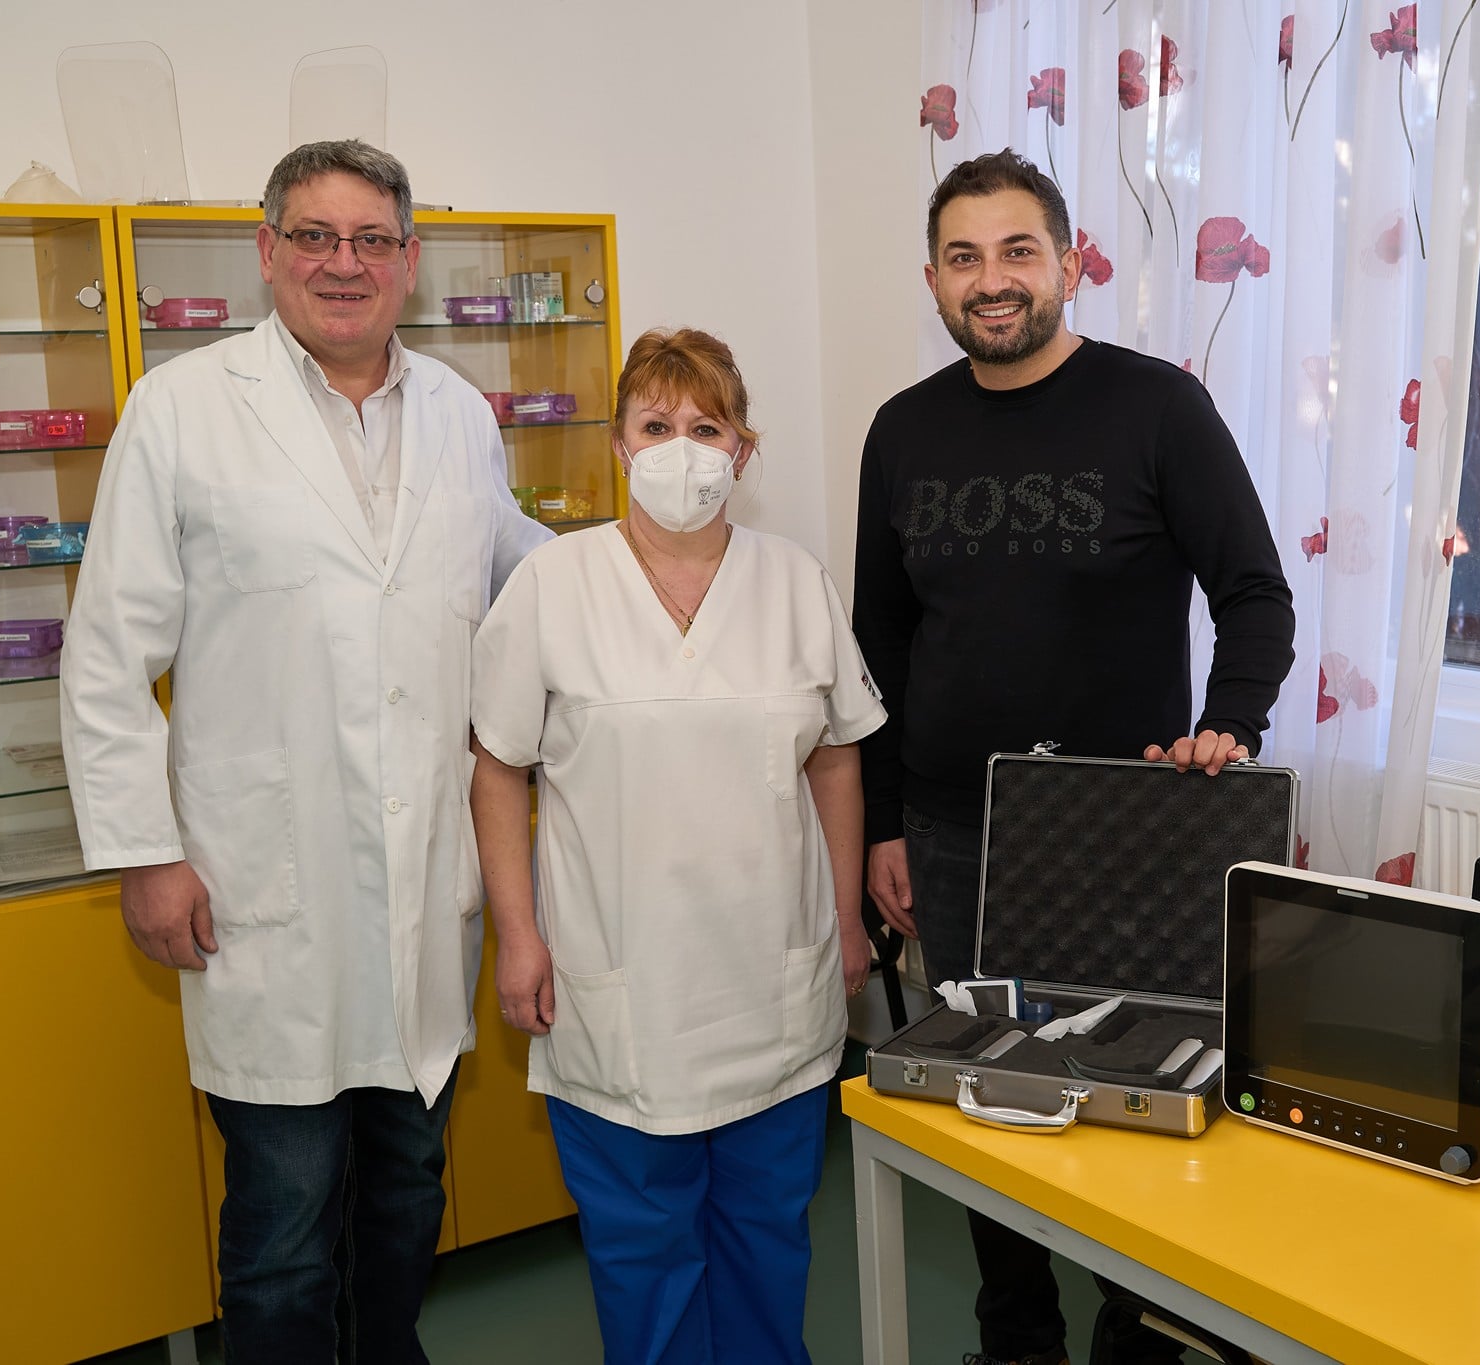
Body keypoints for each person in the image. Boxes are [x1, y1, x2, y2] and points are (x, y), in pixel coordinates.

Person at [59, 140, 551, 1362]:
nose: (344, 263)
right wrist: (144, 852)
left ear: (409, 261)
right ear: (267, 252)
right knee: (282, 1225)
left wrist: (667, 560)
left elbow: (524, 577)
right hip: (262, 886)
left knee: (406, 1192)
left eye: (372, 240)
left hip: (423, 880)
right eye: (315, 237)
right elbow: (107, 651)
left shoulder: (456, 414)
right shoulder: (184, 408)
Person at [852, 149, 1295, 1365]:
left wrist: (1230, 723)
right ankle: (1017, 1338)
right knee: (986, 1099)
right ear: (933, 281)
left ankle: (1134, 1332)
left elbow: (1254, 594)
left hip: (1127, 827)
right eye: (962, 257)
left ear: (1068, 263)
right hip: (954, 832)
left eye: (1016, 251)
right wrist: (882, 823)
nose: (990, 279)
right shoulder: (901, 431)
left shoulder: (1156, 409)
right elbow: (877, 646)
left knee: (1126, 1099)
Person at [468, 327, 884, 1364]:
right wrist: (518, 938)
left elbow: (835, 759)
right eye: (656, 425)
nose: (682, 449)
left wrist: (845, 921)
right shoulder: (553, 584)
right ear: (618, 444)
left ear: (743, 449)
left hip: (771, 980)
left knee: (765, 1245)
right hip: (623, 986)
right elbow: (496, 768)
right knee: (643, 1258)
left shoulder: (793, 581)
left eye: (708, 426)